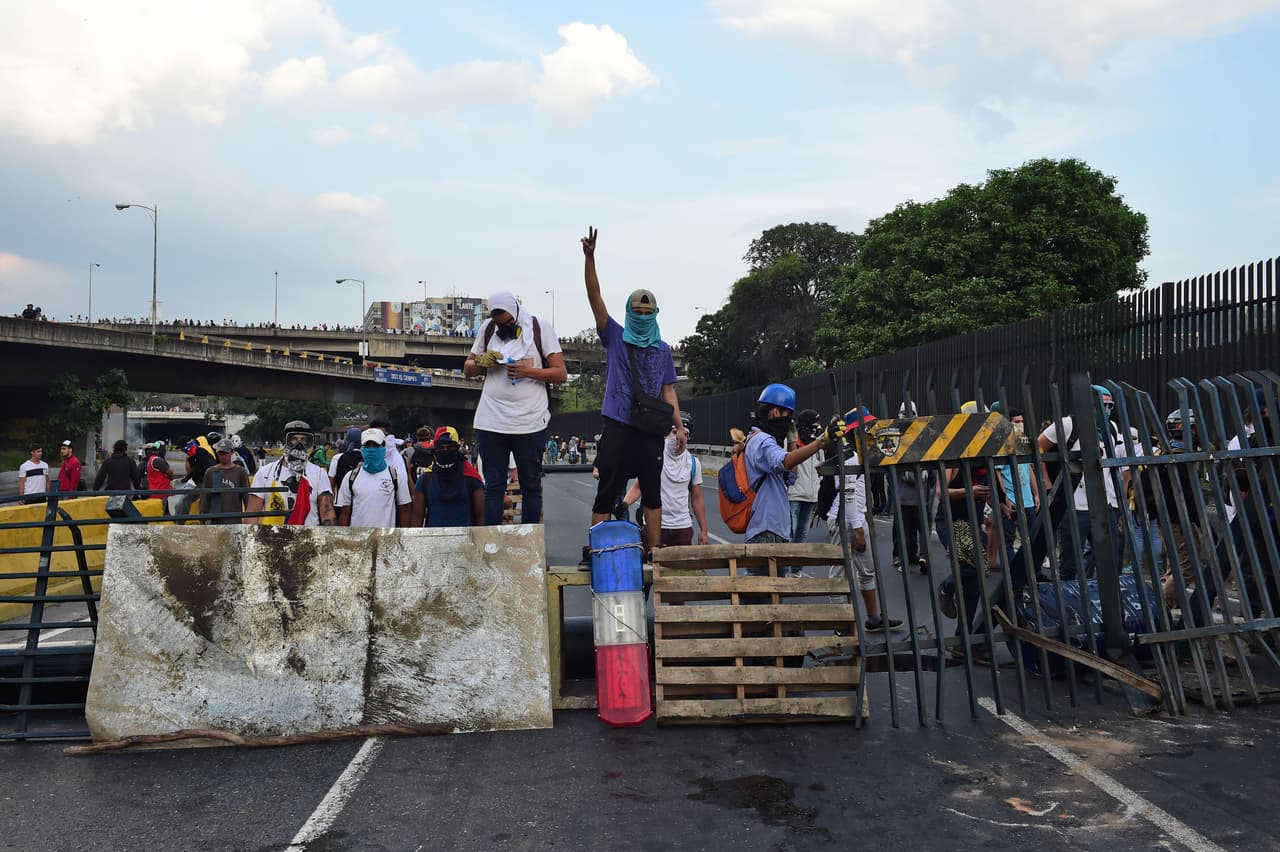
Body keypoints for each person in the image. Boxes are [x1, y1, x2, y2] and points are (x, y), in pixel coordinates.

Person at [581, 226, 684, 556]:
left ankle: (655, 554)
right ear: (628, 313)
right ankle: (598, 552)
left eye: (647, 313)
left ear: (655, 314)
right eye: (637, 312)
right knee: (607, 491)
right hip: (617, 425)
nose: (642, 317)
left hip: (649, 430)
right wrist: (590, 258)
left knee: (653, 493)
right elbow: (595, 297)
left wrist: (680, 427)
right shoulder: (615, 336)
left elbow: (669, 392)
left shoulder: (662, 349)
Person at [464, 292, 567, 525]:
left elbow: (560, 373)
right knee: (494, 485)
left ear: (516, 312)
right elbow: (467, 368)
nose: (504, 327)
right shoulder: (488, 329)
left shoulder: (540, 329)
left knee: (530, 484)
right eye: (499, 323)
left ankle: (529, 540)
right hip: (491, 420)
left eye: (508, 322)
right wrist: (481, 361)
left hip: (529, 422)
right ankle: (492, 541)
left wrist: (528, 372)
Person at [826, 411, 904, 632]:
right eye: (867, 428)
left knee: (867, 571)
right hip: (845, 521)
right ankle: (840, 625)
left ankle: (873, 618)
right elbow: (849, 495)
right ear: (855, 432)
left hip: (857, 519)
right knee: (840, 574)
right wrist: (859, 529)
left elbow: (862, 493)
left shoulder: (862, 456)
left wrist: (866, 519)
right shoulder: (850, 456)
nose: (871, 432)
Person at [743, 384, 833, 544]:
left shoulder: (765, 440)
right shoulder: (762, 441)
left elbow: (791, 475)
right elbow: (785, 461)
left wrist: (792, 441)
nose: (789, 421)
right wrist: (820, 442)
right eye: (788, 415)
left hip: (775, 527)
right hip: (767, 528)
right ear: (775, 412)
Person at [621, 412, 709, 547]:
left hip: (682, 529)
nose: (679, 437)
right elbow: (639, 487)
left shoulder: (693, 463)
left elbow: (696, 498)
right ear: (667, 433)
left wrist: (703, 530)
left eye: (685, 434)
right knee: (651, 560)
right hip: (654, 526)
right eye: (675, 432)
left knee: (682, 562)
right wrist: (624, 505)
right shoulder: (654, 457)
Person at [246, 420, 335, 526]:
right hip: (273, 534)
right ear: (285, 441)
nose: (299, 444)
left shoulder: (319, 474)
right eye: (293, 439)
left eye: (303, 440)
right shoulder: (265, 473)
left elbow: (327, 513)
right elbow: (252, 513)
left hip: (309, 535)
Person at [335, 429, 412, 528]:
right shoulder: (350, 477)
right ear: (362, 448)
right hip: (358, 537)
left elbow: (404, 510)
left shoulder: (396, 476)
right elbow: (345, 512)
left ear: (383, 447)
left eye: (375, 445)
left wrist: (404, 535)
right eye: (367, 445)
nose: (371, 449)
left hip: (386, 537)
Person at [411, 427, 484, 528]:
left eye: (449, 447)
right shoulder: (425, 480)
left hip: (465, 537)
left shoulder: (472, 479)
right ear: (435, 450)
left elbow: (481, 518)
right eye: (440, 447)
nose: (445, 451)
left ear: (457, 449)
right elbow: (417, 519)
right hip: (433, 537)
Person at [787, 409, 824, 542]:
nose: (817, 428)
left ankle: (798, 558)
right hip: (794, 496)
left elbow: (822, 466)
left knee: (802, 535)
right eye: (814, 424)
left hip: (811, 496)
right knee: (789, 536)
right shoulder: (792, 442)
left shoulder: (818, 444)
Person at [200, 439, 249, 524]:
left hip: (234, 519)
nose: (222, 456)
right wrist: (203, 516)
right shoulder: (210, 472)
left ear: (232, 452)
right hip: (214, 519)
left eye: (225, 453)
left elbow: (246, 496)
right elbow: (205, 496)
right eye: (220, 453)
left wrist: (249, 517)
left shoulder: (240, 472)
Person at [140, 441, 172, 505]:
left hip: (153, 490)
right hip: (157, 491)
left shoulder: (150, 460)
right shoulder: (156, 460)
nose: (148, 452)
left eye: (149, 450)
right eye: (147, 450)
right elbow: (170, 473)